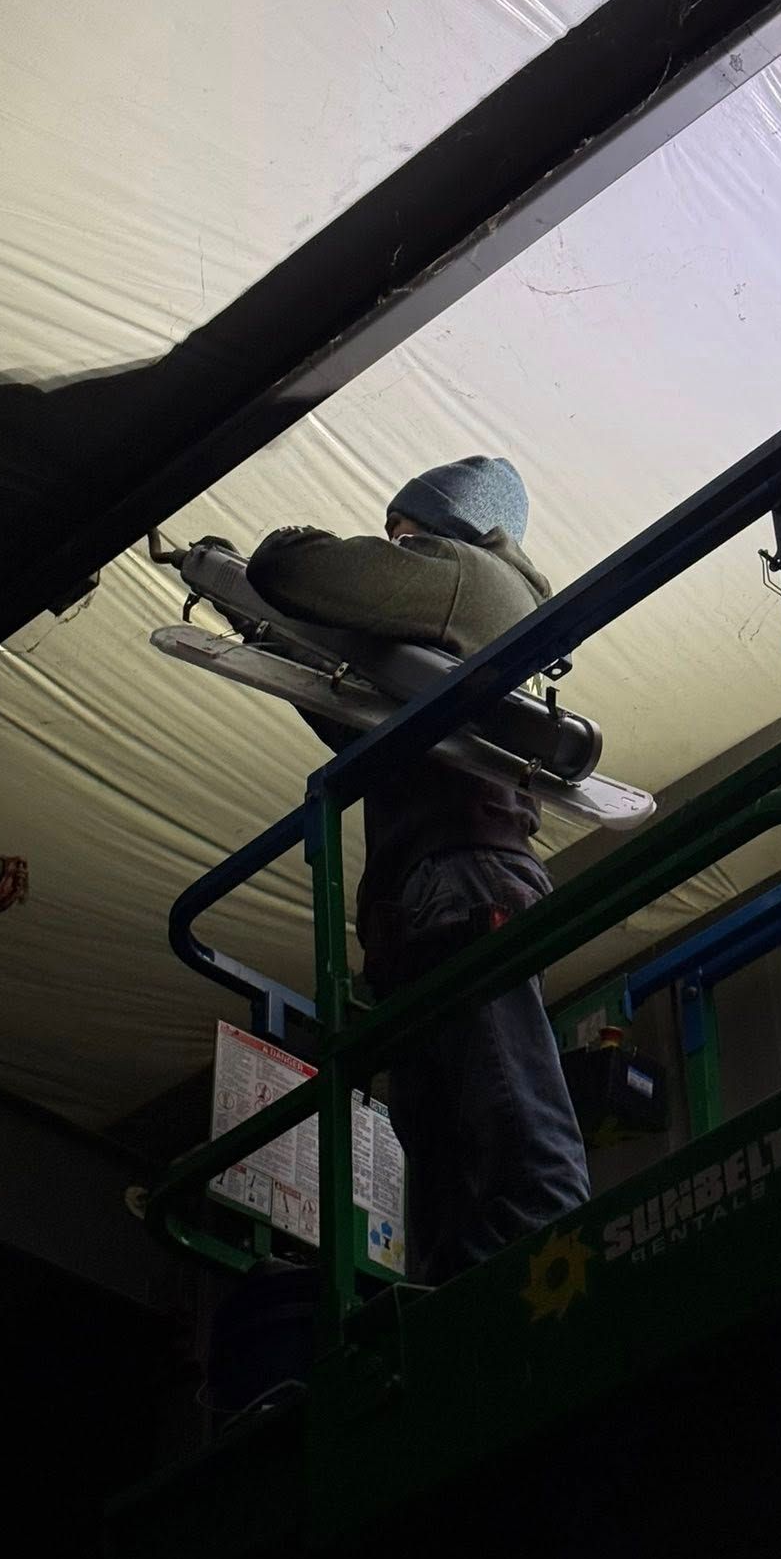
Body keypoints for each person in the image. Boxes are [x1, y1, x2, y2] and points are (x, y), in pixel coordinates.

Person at [244, 455, 590, 1285]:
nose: (397, 552)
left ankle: (563, 1309)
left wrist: (275, 564)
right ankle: (464, 1349)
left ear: (443, 525)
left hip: (459, 882)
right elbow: (375, 737)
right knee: (443, 1191)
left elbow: (293, 570)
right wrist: (276, 645)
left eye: (402, 536)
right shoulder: (470, 627)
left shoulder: (466, 577)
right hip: (431, 901)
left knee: (517, 1150)